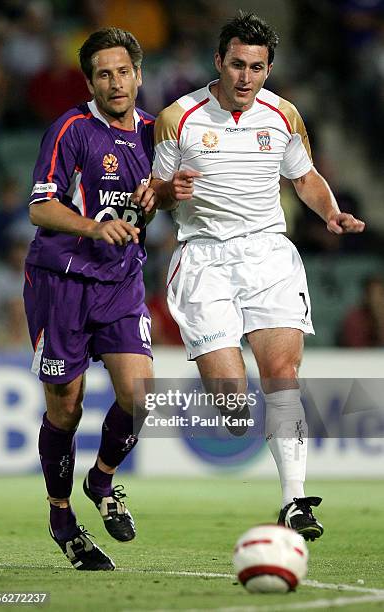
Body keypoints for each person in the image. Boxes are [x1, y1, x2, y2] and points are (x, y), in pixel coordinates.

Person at [147, 12, 365, 541]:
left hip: (268, 253)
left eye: (258, 68)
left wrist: (329, 212)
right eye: (238, 65)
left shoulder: (284, 114)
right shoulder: (178, 117)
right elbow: (150, 194)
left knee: (283, 375)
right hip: (203, 258)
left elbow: (305, 175)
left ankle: (294, 502)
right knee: (233, 406)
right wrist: (167, 193)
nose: (246, 78)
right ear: (218, 62)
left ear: (269, 69)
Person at [23, 27, 156, 570]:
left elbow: (157, 199)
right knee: (66, 406)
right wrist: (92, 228)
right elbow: (39, 207)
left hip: (121, 283)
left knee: (140, 395)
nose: (115, 82)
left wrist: (167, 195)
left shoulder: (155, 134)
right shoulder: (71, 130)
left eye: (123, 71)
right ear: (90, 81)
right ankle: (62, 520)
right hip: (63, 283)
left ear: (138, 75)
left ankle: (100, 481)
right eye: (104, 74)